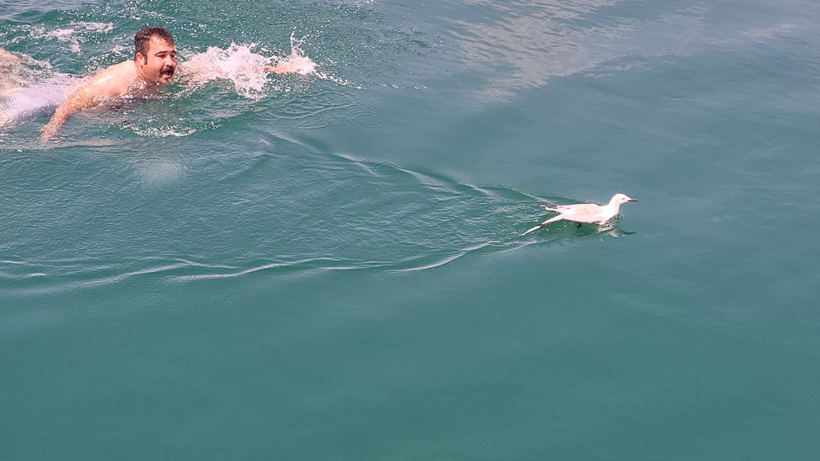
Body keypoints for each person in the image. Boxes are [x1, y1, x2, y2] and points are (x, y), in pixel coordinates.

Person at [39, 26, 296, 141]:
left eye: (172, 54)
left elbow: (224, 67)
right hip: (55, 95)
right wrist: (49, 135)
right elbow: (70, 104)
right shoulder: (114, 81)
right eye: (161, 56)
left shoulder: (177, 72)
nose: (170, 62)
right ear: (140, 59)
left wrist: (274, 68)